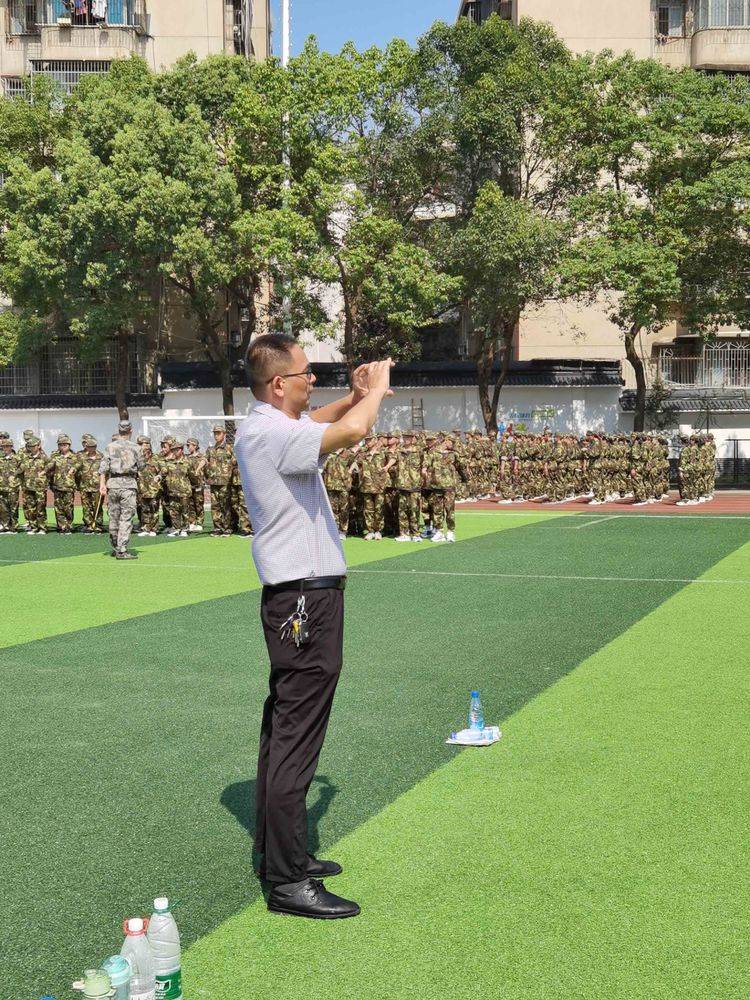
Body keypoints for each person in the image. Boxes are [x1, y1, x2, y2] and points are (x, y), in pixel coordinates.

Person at [234, 333, 393, 920]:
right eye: (306, 374)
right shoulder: (269, 432)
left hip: (301, 595)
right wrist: (374, 393)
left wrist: (354, 396)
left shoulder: (269, 426)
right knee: (295, 737)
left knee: (285, 729)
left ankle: (281, 853)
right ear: (279, 384)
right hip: (303, 598)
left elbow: (326, 421)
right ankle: (287, 880)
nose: (312, 381)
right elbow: (350, 433)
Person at [99, 420, 144, 559]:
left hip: (113, 484)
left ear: (119, 430)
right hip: (128, 484)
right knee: (126, 518)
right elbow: (142, 466)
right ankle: (122, 549)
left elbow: (103, 468)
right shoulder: (136, 447)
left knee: (113, 516)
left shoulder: (110, 447)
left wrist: (102, 485)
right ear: (131, 430)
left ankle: (115, 546)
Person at [204, 425, 234, 536]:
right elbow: (204, 459)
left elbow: (235, 462)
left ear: (224, 434)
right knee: (215, 506)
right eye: (215, 433)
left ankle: (227, 528)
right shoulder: (210, 449)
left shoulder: (229, 448)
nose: (216, 435)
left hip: (225, 482)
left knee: (225, 505)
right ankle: (218, 528)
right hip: (213, 482)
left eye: (218, 433)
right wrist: (199, 468)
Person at [47, 433, 78, 533]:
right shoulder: (55, 457)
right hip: (57, 485)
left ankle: (68, 525)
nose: (63, 447)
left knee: (68, 507)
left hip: (69, 486)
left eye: (65, 445)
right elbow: (50, 470)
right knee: (58, 507)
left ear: (69, 445)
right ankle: (61, 526)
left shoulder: (75, 457)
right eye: (60, 445)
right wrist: (50, 483)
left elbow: (78, 472)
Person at [77, 434, 104, 533]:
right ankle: (88, 525)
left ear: (95, 446)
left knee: (97, 506)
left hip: (97, 486)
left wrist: (104, 484)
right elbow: (77, 467)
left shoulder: (101, 457)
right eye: (88, 446)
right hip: (85, 486)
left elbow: (105, 471)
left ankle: (98, 525)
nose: (90, 448)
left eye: (92, 446)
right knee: (86, 507)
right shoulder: (82, 457)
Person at [0, 437, 21, 533]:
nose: (5, 448)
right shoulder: (1, 458)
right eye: (4, 447)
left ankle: (14, 527)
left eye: (7, 446)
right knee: (3, 508)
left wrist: (15, 474)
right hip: (2, 486)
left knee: (14, 507)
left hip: (13, 487)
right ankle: (5, 526)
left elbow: (22, 468)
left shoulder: (17, 458)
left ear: (11, 447)